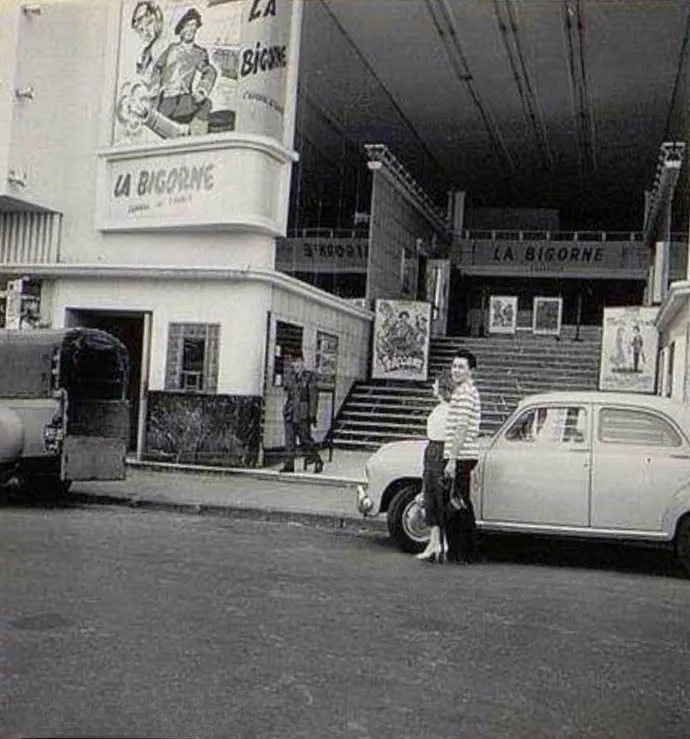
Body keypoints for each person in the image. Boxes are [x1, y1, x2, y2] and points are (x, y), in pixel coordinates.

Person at [149, 7, 218, 135]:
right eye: (187, 25)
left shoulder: (199, 53)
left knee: (206, 104)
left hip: (184, 100)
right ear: (180, 29)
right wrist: (154, 87)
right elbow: (157, 68)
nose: (191, 29)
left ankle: (197, 140)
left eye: (193, 25)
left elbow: (210, 71)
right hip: (165, 100)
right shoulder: (171, 49)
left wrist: (202, 90)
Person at [443, 348, 482, 563]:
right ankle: (465, 551)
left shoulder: (466, 393)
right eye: (454, 366)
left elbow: (462, 427)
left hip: (461, 455)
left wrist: (452, 459)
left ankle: (462, 552)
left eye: (461, 367)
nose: (456, 370)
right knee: (461, 503)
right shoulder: (463, 391)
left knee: (458, 505)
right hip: (462, 454)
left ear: (471, 371)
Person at [415, 369, 455, 563]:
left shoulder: (448, 410)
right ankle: (435, 542)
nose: (433, 386)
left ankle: (440, 542)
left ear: (442, 387)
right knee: (431, 496)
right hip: (433, 450)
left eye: (436, 384)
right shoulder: (442, 408)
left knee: (438, 497)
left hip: (439, 451)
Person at [281, 350, 324, 474]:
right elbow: (288, 392)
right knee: (289, 440)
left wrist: (312, 415)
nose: (296, 365)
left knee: (305, 439)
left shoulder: (309, 377)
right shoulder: (291, 377)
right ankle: (289, 465)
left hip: (303, 413)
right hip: (290, 412)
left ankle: (317, 460)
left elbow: (314, 397)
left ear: (303, 362)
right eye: (294, 362)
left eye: (299, 361)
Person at [130, 1, 164, 77]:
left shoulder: (165, 46)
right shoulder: (145, 53)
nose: (146, 32)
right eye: (141, 30)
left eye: (149, 23)